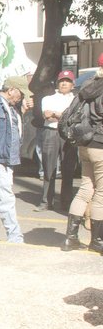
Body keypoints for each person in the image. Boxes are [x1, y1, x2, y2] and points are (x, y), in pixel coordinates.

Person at [0, 77, 30, 244]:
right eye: (21, 94)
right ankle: (15, 237)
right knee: (5, 199)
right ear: (11, 90)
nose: (22, 98)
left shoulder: (10, 107)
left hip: (4, 159)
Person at [62, 59, 103, 253]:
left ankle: (71, 238)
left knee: (85, 189)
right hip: (101, 144)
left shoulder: (88, 85)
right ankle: (97, 240)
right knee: (101, 193)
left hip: (84, 143)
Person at [38, 69, 77, 211]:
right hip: (51, 132)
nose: (64, 84)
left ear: (73, 84)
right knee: (48, 168)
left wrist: (57, 115)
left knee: (68, 169)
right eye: (62, 81)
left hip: (68, 135)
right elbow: (47, 115)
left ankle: (66, 202)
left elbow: (74, 119)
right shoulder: (48, 99)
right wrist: (63, 116)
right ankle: (46, 201)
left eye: (67, 81)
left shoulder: (76, 100)